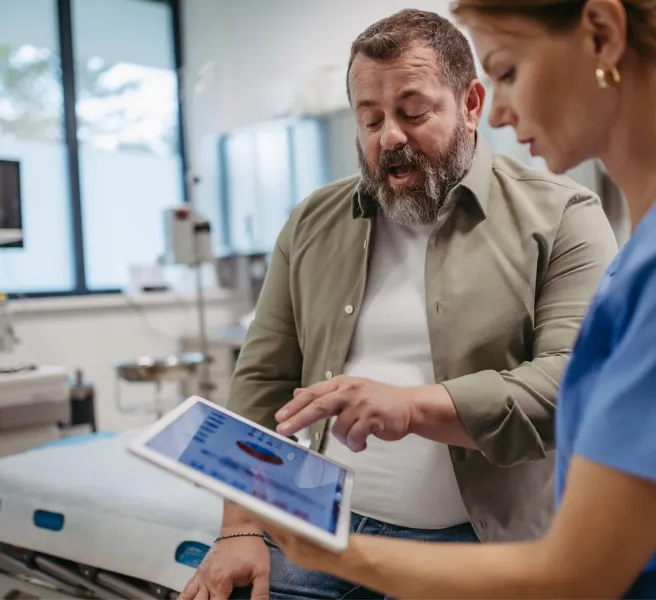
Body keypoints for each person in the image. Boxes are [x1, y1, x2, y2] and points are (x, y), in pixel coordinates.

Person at [255, 0, 656, 598]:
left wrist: (332, 550)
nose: (504, 110)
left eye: (509, 71)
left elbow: (579, 571)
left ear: (601, 35)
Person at [180, 8, 618, 600]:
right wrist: (238, 526)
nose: (389, 137)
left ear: (470, 103)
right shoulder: (315, 220)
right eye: (370, 119)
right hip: (312, 530)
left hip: (473, 545)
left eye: (413, 113)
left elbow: (572, 386)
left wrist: (412, 407)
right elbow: (261, 380)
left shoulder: (564, 216)